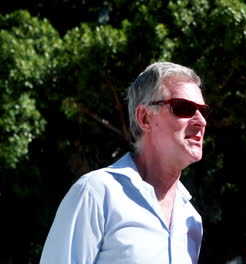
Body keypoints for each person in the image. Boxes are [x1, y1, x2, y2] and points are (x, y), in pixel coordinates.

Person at [40, 62, 208, 264]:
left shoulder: (192, 221)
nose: (201, 121)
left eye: (203, 111)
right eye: (184, 108)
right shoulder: (96, 193)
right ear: (144, 117)